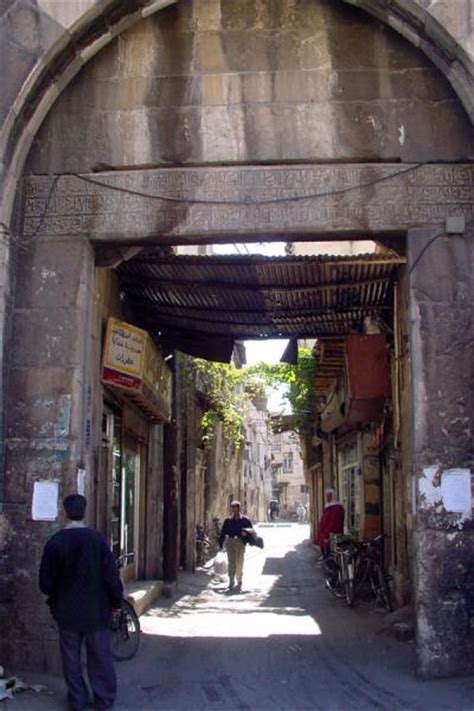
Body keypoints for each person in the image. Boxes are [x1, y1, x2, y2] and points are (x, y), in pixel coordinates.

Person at [39, 494, 123, 711]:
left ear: (64, 512)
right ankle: (104, 700)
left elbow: (45, 582)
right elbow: (111, 576)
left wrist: (55, 597)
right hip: (96, 610)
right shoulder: (98, 541)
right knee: (100, 657)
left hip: (67, 611)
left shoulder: (55, 543)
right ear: (85, 512)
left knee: (70, 658)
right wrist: (116, 602)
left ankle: (77, 699)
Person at [218, 500, 253, 592]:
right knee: (231, 562)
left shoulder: (245, 520)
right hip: (230, 542)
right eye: (233, 508)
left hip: (240, 542)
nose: (234, 510)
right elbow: (223, 533)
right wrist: (221, 544)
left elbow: (251, 531)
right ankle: (231, 582)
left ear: (239, 509)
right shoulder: (228, 520)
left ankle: (239, 580)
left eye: (236, 508)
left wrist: (246, 534)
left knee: (239, 562)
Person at [316, 488, 344, 558]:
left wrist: (326, 534)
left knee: (331, 557)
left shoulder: (337, 508)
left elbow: (334, 523)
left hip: (331, 537)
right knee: (327, 558)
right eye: (327, 496)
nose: (327, 498)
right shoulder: (328, 507)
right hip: (325, 537)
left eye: (329, 496)